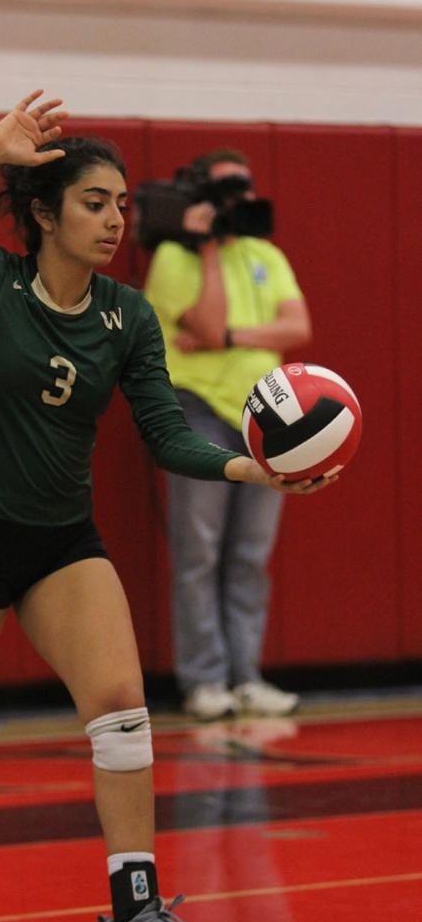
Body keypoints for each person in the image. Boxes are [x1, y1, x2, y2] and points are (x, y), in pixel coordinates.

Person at [0, 93, 330, 922]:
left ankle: (134, 905)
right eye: (93, 203)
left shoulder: (128, 315)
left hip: (61, 543)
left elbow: (166, 435)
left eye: (119, 204)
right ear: (44, 212)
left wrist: (247, 468)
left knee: (120, 706)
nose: (113, 220)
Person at [144, 148, 313, 723]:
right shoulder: (172, 258)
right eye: (224, 192)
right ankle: (205, 680)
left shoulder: (267, 253)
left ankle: (247, 677)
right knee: (200, 550)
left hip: (268, 414)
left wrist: (234, 335)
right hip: (200, 411)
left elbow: (298, 326)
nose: (235, 202)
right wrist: (208, 249)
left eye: (243, 189)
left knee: (249, 554)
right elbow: (205, 322)